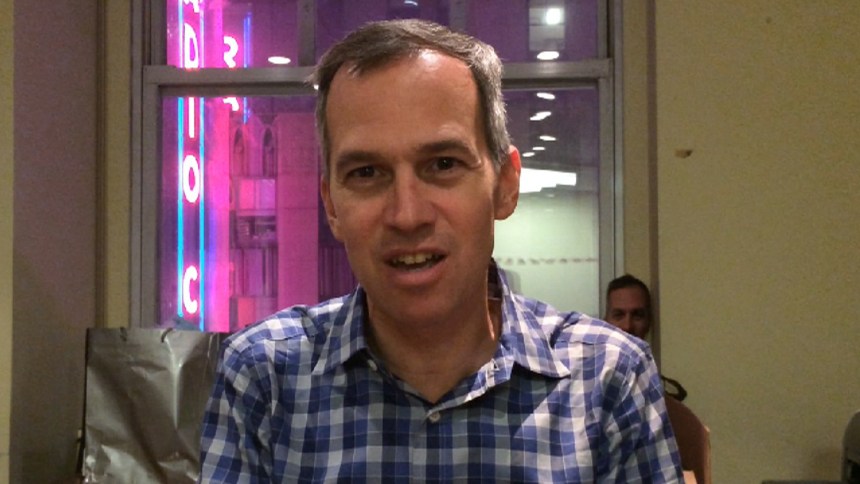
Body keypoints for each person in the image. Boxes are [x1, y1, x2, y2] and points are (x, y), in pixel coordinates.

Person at [199, 19, 683, 482]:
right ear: (331, 205)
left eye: (444, 164)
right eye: (366, 173)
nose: (407, 215)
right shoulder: (264, 378)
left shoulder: (607, 379)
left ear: (505, 185)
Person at [605, 274, 688, 401]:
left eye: (637, 315)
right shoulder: (587, 380)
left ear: (649, 322)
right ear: (605, 322)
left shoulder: (663, 390)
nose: (627, 326)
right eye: (619, 315)